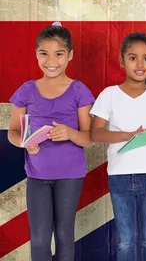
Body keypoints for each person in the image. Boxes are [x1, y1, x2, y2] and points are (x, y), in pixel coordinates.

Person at [7, 22, 94, 261]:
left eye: (58, 53)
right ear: (36, 54)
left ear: (70, 56)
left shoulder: (79, 91)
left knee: (65, 235)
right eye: (44, 53)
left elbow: (88, 137)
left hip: (70, 175)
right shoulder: (26, 91)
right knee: (39, 238)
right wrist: (23, 143)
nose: (51, 60)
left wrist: (69, 133)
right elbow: (14, 131)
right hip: (37, 175)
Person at [90, 32, 146, 261]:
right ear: (122, 61)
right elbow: (96, 133)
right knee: (125, 239)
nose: (140, 64)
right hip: (119, 175)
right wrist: (128, 135)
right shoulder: (109, 95)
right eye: (133, 58)